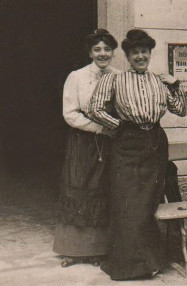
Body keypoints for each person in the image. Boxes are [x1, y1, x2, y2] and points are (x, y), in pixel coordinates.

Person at [88, 29, 187, 280]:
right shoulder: (114, 80)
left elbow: (181, 110)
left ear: (150, 53)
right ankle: (127, 266)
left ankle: (151, 261)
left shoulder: (159, 81)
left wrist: (175, 85)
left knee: (148, 202)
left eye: (144, 52)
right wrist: (119, 126)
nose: (140, 56)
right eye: (135, 53)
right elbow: (95, 108)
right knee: (127, 203)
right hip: (126, 144)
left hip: (154, 143)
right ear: (127, 55)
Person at [53, 29, 119, 267]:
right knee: (80, 188)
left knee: (103, 189)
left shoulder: (119, 76)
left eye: (107, 49)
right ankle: (73, 250)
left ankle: (98, 250)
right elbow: (69, 114)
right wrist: (99, 129)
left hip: (111, 142)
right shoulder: (77, 77)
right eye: (97, 49)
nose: (103, 54)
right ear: (90, 52)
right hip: (83, 141)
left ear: (113, 51)